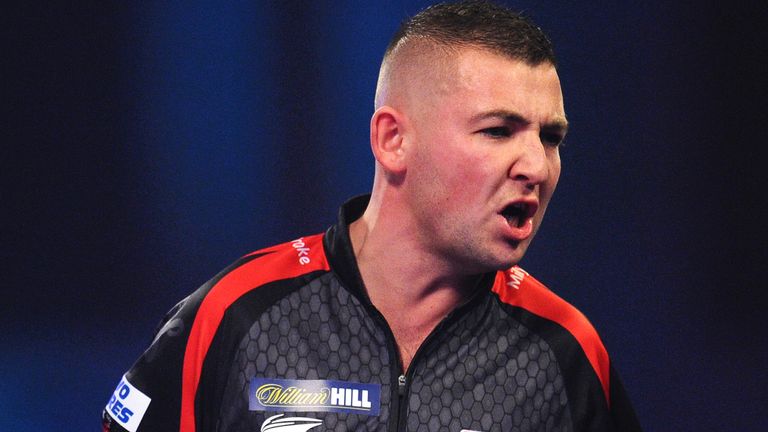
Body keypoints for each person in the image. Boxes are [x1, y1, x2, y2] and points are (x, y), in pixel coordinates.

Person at [102, 2, 641, 431]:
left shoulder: (564, 349)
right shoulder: (235, 316)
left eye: (551, 138)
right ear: (393, 139)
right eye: (498, 131)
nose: (536, 167)